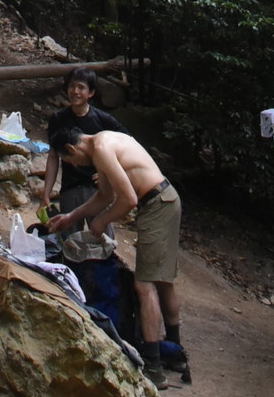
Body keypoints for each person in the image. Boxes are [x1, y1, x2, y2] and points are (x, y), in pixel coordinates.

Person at [46, 123, 185, 389]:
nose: (74, 165)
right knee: (163, 280)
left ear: (72, 148)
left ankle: (155, 368)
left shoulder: (101, 148)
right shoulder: (103, 143)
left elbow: (129, 199)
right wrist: (72, 217)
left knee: (144, 285)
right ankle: (175, 354)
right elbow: (105, 195)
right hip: (165, 200)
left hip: (157, 204)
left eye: (69, 160)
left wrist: (102, 222)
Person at [40, 66, 126, 219]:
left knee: (101, 236)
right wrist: (46, 193)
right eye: (72, 86)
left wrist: (109, 173)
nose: (75, 91)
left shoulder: (104, 120)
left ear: (91, 93)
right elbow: (53, 156)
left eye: (81, 87)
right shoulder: (58, 119)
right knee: (68, 236)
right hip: (70, 187)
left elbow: (128, 145)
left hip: (98, 189)